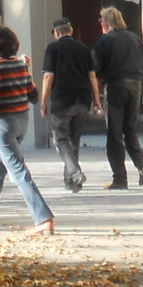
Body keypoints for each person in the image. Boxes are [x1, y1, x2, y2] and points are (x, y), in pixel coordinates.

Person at [0, 26, 55, 235]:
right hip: (21, 121)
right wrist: (25, 70)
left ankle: (43, 217)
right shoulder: (21, 66)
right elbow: (33, 96)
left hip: (1, 124)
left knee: (17, 170)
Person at [93, 6, 143, 189]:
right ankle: (142, 166)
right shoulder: (135, 38)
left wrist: (99, 83)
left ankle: (120, 178)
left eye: (101, 20)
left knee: (115, 134)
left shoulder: (105, 42)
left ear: (107, 22)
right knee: (130, 129)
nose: (100, 23)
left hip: (116, 85)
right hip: (135, 85)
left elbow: (96, 66)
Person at [40, 18, 99, 193]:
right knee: (74, 140)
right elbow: (92, 76)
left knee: (61, 139)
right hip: (83, 99)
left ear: (56, 33)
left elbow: (48, 76)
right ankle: (71, 181)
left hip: (62, 100)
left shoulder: (53, 48)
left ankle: (75, 172)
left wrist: (43, 102)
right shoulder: (84, 48)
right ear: (71, 31)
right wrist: (97, 101)